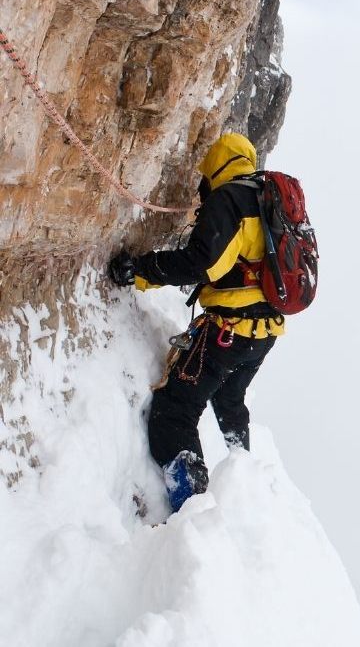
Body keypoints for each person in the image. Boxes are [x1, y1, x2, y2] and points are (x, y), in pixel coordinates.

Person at [108, 132, 284, 513]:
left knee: (174, 413)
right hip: (264, 335)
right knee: (229, 400)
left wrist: (140, 270)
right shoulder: (266, 200)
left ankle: (194, 510)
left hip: (228, 333)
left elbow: (201, 264)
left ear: (216, 167)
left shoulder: (231, 200)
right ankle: (245, 477)